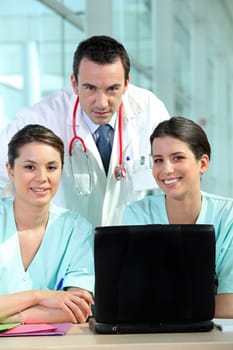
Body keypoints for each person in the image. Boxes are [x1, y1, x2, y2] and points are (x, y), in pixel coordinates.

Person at [0, 35, 170, 228]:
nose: (101, 103)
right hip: (64, 241)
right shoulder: (42, 117)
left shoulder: (149, 111)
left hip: (129, 241)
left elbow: (177, 178)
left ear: (126, 84)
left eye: (112, 89)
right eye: (90, 88)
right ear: (74, 83)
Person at [122, 116, 233, 318]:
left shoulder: (228, 216)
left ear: (203, 163)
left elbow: (231, 304)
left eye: (178, 158)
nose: (166, 169)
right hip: (153, 335)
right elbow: (131, 298)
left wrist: (163, 304)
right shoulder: (137, 214)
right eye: (158, 160)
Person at [0, 124, 94, 324]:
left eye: (51, 167)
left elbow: (78, 309)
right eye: (29, 167)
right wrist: (39, 296)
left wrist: (12, 316)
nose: (42, 178)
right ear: (10, 170)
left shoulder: (77, 230)